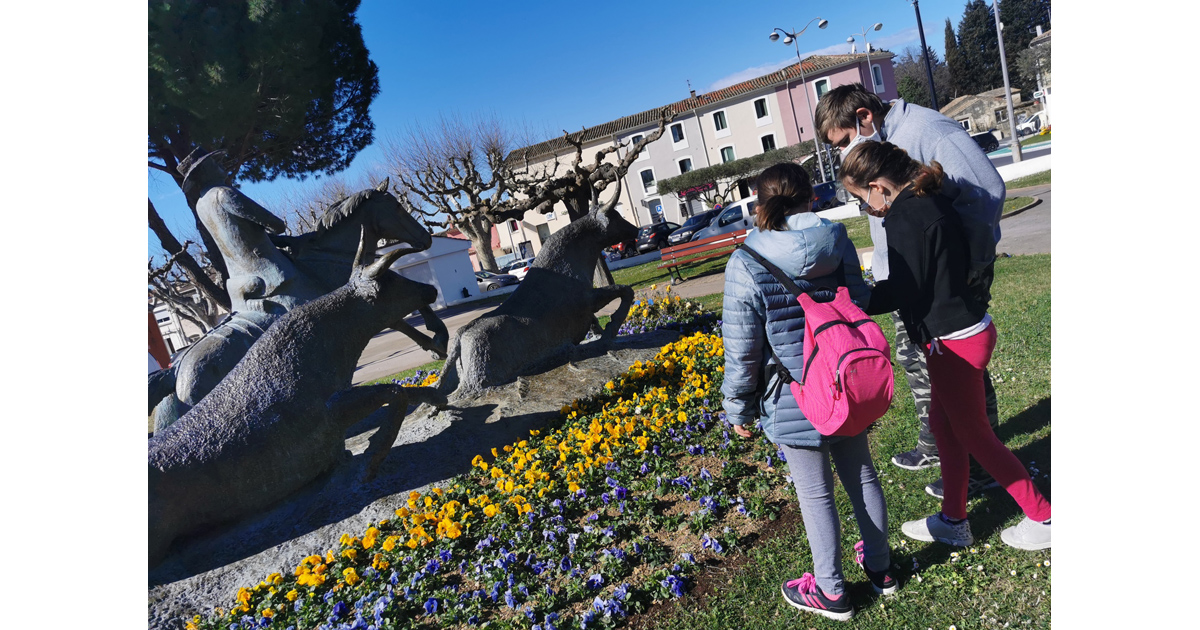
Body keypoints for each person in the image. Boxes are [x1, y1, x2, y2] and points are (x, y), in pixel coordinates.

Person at [840, 141, 1050, 551]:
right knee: (945, 428)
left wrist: (856, 298)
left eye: (861, 199)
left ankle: (1043, 515)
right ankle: (954, 520)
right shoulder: (929, 199)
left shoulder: (903, 218)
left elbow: (904, 287)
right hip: (964, 331)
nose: (866, 209)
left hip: (952, 341)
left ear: (880, 186)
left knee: (974, 435)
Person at [814, 83, 1006, 500]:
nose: (845, 151)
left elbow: (987, 191)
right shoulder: (883, 145)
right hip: (908, 280)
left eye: (845, 141)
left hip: (945, 284)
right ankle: (945, 449)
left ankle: (981, 466)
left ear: (865, 116)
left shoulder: (928, 130)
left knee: (962, 374)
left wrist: (967, 264)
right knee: (920, 364)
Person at [721, 163, 894, 621]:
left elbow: (743, 350)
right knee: (862, 476)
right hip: (843, 382)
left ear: (761, 203)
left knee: (815, 496)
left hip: (792, 394)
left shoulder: (746, 261)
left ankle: (832, 591)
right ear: (808, 196)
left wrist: (737, 409)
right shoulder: (835, 239)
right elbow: (856, 303)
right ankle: (881, 567)